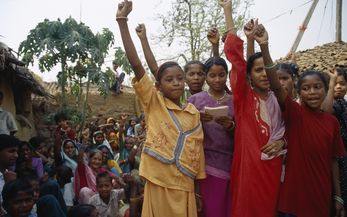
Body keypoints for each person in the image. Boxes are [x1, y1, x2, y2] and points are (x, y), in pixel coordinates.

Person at [116, 1, 206, 216]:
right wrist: (122, 21)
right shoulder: (154, 103)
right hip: (159, 181)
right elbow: (138, 66)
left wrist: (197, 191)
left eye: (179, 78)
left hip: (185, 184)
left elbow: (197, 154)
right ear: (158, 86)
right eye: (169, 80)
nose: (176, 83)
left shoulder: (193, 113)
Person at [253, 22, 346, 217]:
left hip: (321, 199)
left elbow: (333, 160)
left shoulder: (332, 122)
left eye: (317, 87)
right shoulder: (294, 112)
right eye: (306, 88)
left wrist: (338, 197)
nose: (312, 92)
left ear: (325, 89)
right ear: (299, 92)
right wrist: (264, 46)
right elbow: (277, 86)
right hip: (292, 203)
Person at [222, 1, 286, 216]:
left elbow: (297, 129)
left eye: (267, 69)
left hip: (274, 170)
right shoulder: (243, 99)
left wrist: (282, 142)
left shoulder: (281, 100)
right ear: (250, 76)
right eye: (258, 70)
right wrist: (227, 11)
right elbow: (238, 62)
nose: (264, 74)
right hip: (248, 173)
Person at [188, 56, 234, 217]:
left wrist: (231, 126)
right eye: (212, 75)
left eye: (221, 75)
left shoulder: (234, 101)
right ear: (206, 76)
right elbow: (184, 133)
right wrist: (196, 120)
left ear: (227, 75)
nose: (217, 79)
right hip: (205, 165)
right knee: (211, 210)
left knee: (229, 209)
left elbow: (244, 134)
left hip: (231, 164)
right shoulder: (195, 100)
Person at [135, 23, 206, 104]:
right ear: (185, 78)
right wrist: (144, 39)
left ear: (205, 76)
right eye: (191, 74)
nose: (196, 78)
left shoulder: (212, 98)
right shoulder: (176, 97)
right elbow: (154, 70)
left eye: (200, 74)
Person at [0, 134, 20, 214]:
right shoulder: (9, 178)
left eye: (17, 152)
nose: (16, 155)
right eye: (11, 151)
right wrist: (10, 186)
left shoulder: (9, 173)